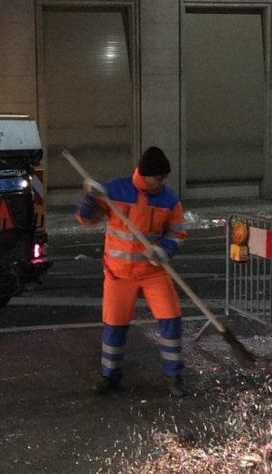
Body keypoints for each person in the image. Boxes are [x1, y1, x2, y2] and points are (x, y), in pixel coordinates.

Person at [76, 146, 188, 397]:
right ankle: (109, 377)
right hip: (119, 274)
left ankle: (174, 377)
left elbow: (177, 232)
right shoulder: (115, 191)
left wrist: (165, 249)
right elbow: (86, 219)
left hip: (153, 272)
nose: (161, 183)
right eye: (158, 178)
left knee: (171, 321)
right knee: (114, 327)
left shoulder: (169, 199)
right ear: (145, 174)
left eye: (163, 179)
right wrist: (91, 198)